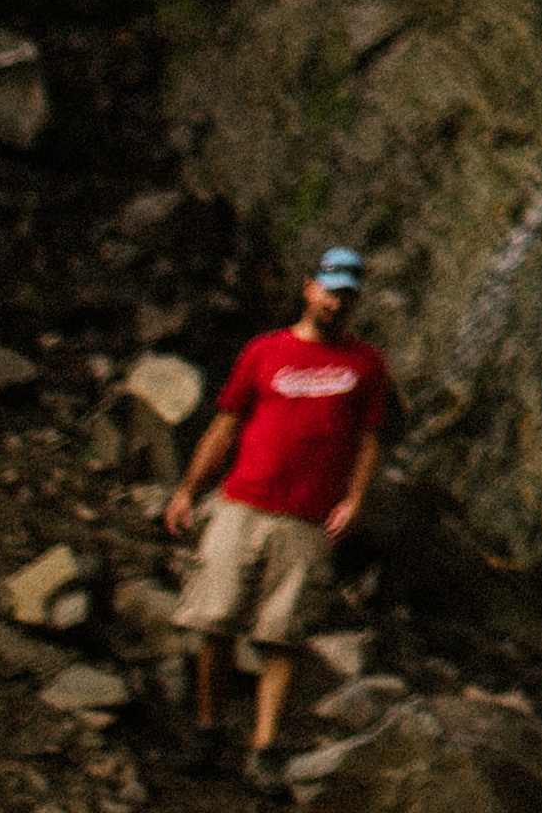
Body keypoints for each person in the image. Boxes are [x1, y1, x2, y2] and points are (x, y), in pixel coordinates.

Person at [169, 248, 399, 789]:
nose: (336, 302)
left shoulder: (366, 366)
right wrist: (187, 490)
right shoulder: (264, 351)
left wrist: (354, 499)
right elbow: (225, 424)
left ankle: (265, 745)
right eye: (329, 290)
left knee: (282, 635)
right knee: (215, 620)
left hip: (308, 518)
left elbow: (368, 441)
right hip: (242, 503)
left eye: (346, 294)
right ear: (309, 288)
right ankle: (208, 729)